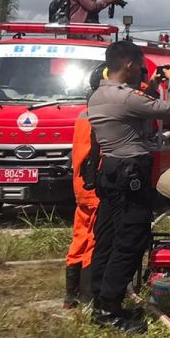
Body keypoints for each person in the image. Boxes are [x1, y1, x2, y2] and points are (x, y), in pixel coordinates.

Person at [88, 41, 170, 332]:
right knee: (130, 240)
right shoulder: (125, 97)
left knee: (107, 237)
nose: (142, 70)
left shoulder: (99, 95)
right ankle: (109, 309)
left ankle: (98, 299)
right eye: (140, 65)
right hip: (130, 176)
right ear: (129, 64)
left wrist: (151, 87)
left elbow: (138, 109)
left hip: (112, 174)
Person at [64, 64, 105, 308]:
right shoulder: (103, 113)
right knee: (94, 238)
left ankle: (71, 296)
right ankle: (90, 297)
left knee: (79, 237)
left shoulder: (84, 112)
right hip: (95, 184)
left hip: (80, 184)